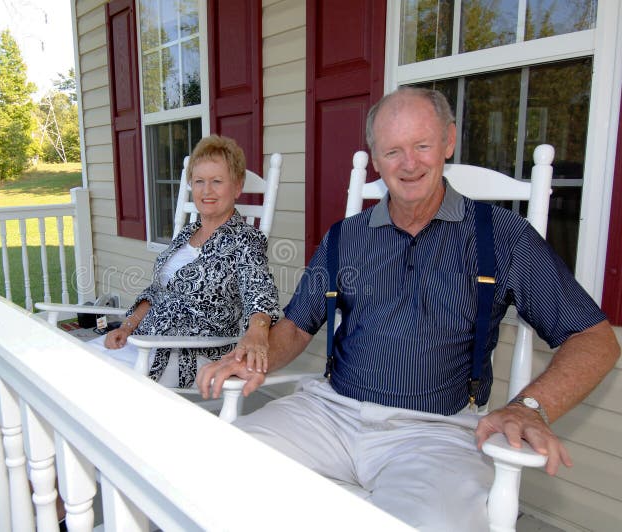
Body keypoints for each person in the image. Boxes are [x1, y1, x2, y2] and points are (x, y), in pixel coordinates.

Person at [196, 88, 620, 530]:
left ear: (448, 142)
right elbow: (298, 327)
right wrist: (253, 356)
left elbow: (594, 338)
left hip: (434, 434)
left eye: (422, 145)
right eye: (393, 151)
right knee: (216, 472)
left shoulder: (502, 237)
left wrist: (530, 406)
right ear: (376, 160)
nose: (409, 163)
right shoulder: (346, 237)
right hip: (328, 415)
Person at [90, 134, 280, 388]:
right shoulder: (185, 235)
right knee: (76, 363)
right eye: (199, 181)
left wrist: (258, 330)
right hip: (143, 340)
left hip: (188, 354)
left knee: (96, 384)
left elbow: (259, 289)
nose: (206, 190)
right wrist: (126, 327)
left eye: (217, 181)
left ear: (237, 186)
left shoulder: (246, 240)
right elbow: (157, 290)